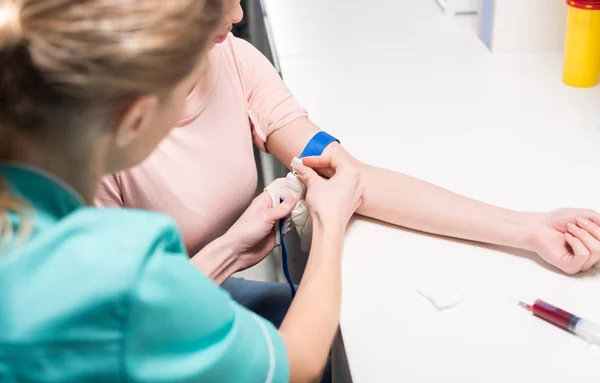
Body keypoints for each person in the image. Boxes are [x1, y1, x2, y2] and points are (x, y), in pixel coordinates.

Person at [97, 0, 600, 333]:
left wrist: (528, 228)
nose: (234, 12)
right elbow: (118, 327)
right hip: (150, 342)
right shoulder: (86, 138)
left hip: (210, 299)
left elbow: (353, 177)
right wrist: (228, 252)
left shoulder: (233, 59)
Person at [0, 0, 364, 383]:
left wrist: (228, 250)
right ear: (135, 118)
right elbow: (297, 373)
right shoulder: (118, 268)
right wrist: (328, 226)